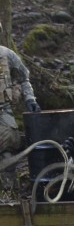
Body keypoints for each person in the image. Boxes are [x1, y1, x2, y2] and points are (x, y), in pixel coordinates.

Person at [0, 30, 40, 160]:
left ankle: (9, 181)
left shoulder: (6, 55)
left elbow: (24, 78)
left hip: (3, 112)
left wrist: (30, 99)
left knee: (7, 155)